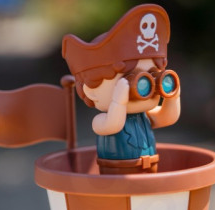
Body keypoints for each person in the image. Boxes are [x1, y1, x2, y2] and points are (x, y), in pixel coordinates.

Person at [62, 4, 181, 173]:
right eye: (135, 80)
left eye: (153, 75)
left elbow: (168, 118)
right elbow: (114, 125)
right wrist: (119, 102)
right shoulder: (100, 121)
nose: (146, 86)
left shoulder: (144, 116)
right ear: (91, 90)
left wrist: (173, 96)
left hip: (150, 169)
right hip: (116, 176)